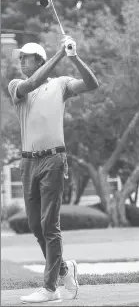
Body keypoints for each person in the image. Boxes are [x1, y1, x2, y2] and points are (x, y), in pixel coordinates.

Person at [8, 36, 99, 303]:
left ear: (38, 59)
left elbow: (92, 84)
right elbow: (33, 82)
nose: (21, 61)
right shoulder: (16, 85)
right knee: (36, 226)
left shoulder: (60, 85)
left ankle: (50, 288)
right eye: (21, 57)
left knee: (50, 224)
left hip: (54, 160)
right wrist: (61, 55)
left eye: (26, 57)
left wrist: (74, 57)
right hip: (28, 162)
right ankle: (63, 270)